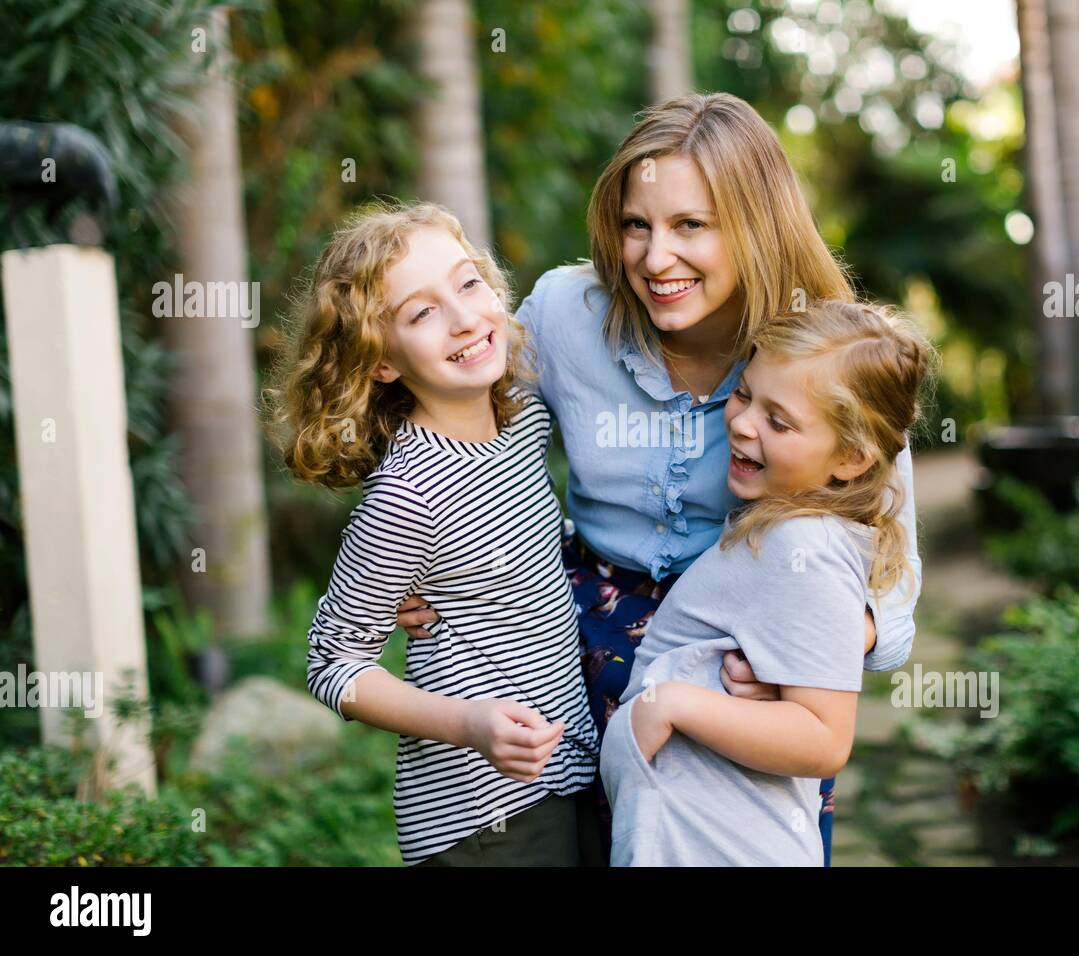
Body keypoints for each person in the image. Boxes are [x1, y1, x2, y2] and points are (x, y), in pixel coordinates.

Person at [397, 93, 923, 865]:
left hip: (742, 677)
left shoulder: (830, 354)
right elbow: (471, 433)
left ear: (755, 223)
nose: (652, 258)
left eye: (690, 226)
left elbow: (892, 564)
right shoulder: (564, 315)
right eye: (636, 224)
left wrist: (820, 636)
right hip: (563, 648)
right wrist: (427, 556)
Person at [270, 202, 600, 866]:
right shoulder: (408, 494)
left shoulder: (523, 413)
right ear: (381, 362)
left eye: (468, 283)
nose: (463, 318)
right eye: (420, 313)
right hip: (480, 811)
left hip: (570, 767)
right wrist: (468, 724)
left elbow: (522, 547)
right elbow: (333, 661)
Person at [601, 299, 933, 866]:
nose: (744, 422)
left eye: (779, 421)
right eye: (745, 393)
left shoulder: (805, 547)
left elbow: (824, 739)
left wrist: (671, 704)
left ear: (851, 457)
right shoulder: (788, 525)